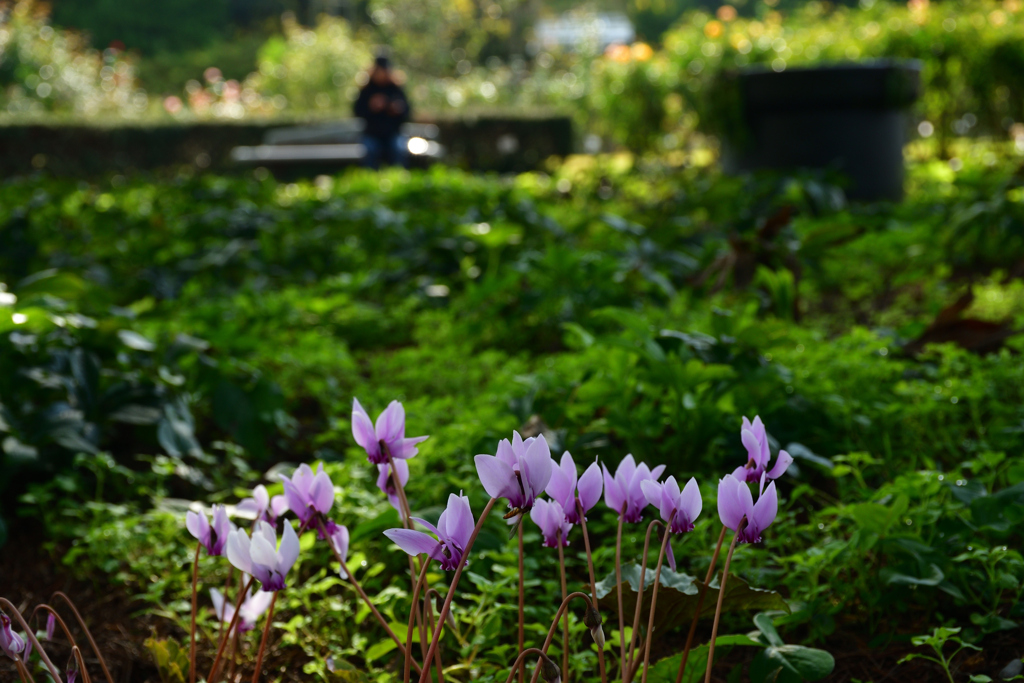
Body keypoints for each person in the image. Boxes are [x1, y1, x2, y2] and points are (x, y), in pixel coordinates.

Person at [354, 54, 410, 169]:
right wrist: (371, 107)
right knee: (370, 150)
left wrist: (397, 109)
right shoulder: (367, 90)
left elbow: (408, 113)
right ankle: (369, 180)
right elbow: (357, 111)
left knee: (398, 148)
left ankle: (399, 179)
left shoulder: (396, 89)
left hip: (393, 134)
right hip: (372, 134)